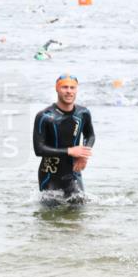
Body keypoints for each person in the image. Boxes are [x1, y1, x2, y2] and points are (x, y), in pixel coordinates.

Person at [33, 74, 96, 202]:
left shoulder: (83, 113)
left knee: (79, 213)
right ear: (57, 89)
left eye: (72, 88)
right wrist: (70, 151)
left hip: (73, 173)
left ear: (76, 90)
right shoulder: (45, 116)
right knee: (51, 218)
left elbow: (90, 135)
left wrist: (84, 154)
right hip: (50, 176)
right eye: (64, 87)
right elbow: (38, 149)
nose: (69, 91)